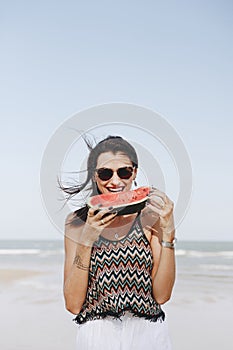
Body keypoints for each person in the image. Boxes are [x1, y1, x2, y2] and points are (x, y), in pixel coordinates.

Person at [62, 135, 176, 350]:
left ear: (134, 172)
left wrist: (168, 233)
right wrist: (87, 239)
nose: (115, 181)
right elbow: (73, 304)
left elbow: (162, 295)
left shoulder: (151, 218)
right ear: (94, 176)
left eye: (123, 172)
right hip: (96, 336)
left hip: (148, 333)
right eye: (105, 173)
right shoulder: (76, 223)